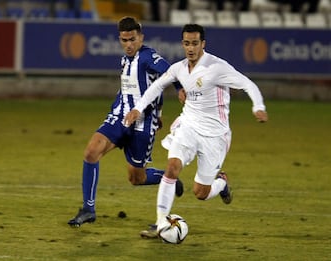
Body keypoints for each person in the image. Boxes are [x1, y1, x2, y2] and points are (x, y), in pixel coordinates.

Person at [124, 24, 268, 238]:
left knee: (201, 192)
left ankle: (222, 183)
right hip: (189, 126)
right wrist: (138, 108)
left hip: (215, 136)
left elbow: (247, 84)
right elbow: (157, 86)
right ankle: (161, 222)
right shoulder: (180, 68)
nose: (190, 48)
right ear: (182, 44)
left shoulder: (216, 67)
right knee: (172, 167)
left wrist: (258, 106)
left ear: (203, 44)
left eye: (194, 44)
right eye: (186, 44)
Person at [68, 16, 185, 227]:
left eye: (132, 39)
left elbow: (171, 73)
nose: (128, 45)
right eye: (124, 40)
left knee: (136, 178)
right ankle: (88, 209)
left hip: (142, 123)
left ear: (141, 37)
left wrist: (179, 90)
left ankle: (167, 177)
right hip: (119, 117)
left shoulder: (148, 57)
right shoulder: (124, 60)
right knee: (91, 152)